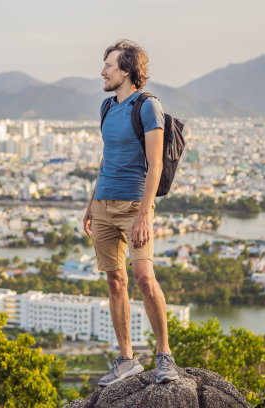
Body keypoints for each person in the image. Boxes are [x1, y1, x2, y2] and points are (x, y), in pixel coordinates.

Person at [83, 39, 179, 386]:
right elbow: (108, 157)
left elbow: (154, 166)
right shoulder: (107, 107)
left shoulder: (148, 106)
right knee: (115, 281)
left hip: (134, 205)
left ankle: (164, 355)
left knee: (143, 276)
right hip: (104, 204)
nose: (103, 71)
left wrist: (145, 215)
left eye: (108, 65)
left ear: (126, 70)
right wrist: (91, 202)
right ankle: (126, 358)